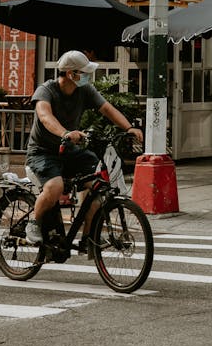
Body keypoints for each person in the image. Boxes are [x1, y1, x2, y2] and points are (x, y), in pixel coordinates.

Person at [25, 50, 144, 247]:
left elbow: (107, 109)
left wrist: (129, 128)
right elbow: (45, 117)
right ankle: (34, 223)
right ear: (71, 74)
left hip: (70, 150)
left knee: (100, 185)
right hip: (43, 152)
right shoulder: (46, 90)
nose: (88, 76)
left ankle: (88, 238)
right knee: (55, 187)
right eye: (84, 72)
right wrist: (65, 133)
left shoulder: (85, 90)